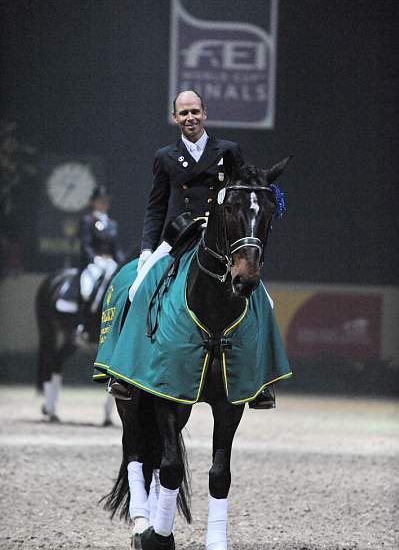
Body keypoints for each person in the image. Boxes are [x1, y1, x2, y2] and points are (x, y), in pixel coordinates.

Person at [123, 89, 273, 409]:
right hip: (179, 236)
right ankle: (125, 373)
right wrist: (147, 250)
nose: (189, 117)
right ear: (174, 117)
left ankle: (261, 381)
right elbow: (156, 206)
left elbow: (243, 191)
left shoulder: (229, 151)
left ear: (204, 113)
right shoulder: (165, 156)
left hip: (221, 237)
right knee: (137, 291)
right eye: (183, 113)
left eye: (195, 111)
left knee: (264, 301)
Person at [75, 185, 124, 344]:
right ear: (93, 202)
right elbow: (85, 244)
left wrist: (122, 263)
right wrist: (94, 259)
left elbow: (116, 248)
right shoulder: (87, 220)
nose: (103, 204)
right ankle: (82, 324)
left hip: (110, 262)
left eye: (105, 201)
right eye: (99, 201)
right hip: (94, 262)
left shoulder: (112, 223)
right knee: (87, 289)